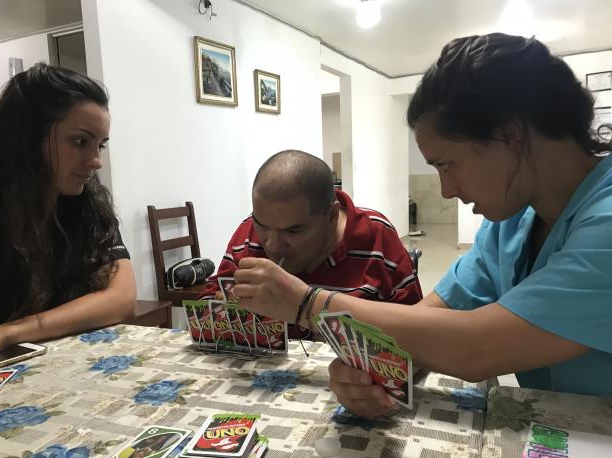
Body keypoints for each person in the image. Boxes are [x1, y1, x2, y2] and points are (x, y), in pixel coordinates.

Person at [231, 33, 612, 417]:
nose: (445, 190)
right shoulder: (511, 222)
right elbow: (428, 320)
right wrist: (383, 371)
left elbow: (477, 347)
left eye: (446, 165)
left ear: (510, 136)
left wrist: (308, 303)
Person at [0, 63, 136, 357]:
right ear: (27, 136)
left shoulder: (88, 203)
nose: (95, 160)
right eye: (80, 141)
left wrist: (9, 332)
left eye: (100, 145)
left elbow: (122, 297)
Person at [200, 149, 422, 337]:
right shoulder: (249, 231)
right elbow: (210, 303)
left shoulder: (376, 236)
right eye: (263, 226)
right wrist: (225, 308)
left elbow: (416, 329)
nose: (273, 246)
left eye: (293, 230)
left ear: (331, 215)